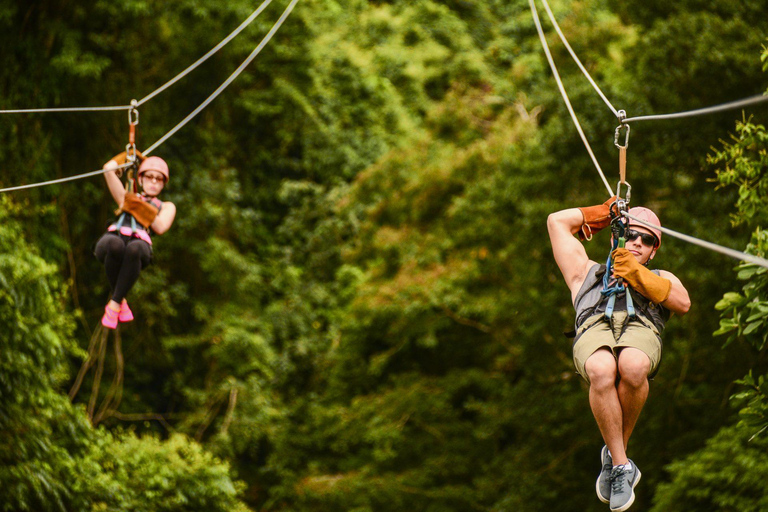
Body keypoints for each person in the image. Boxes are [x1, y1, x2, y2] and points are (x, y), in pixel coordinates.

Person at [547, 198, 690, 512]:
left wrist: (637, 274)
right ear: (617, 238)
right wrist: (602, 212)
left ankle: (614, 458)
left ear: (654, 250)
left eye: (647, 239)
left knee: (633, 365)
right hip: (595, 326)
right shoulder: (584, 273)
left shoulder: (662, 276)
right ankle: (622, 464)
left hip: (640, 329)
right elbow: (556, 222)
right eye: (631, 234)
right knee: (600, 369)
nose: (638, 242)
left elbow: (683, 303)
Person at [94, 152, 176, 329]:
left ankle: (114, 303)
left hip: (139, 245)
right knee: (115, 245)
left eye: (158, 179)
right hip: (114, 237)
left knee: (135, 248)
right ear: (141, 179)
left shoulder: (166, 206)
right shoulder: (126, 198)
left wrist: (136, 205)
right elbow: (108, 169)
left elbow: (160, 226)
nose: (153, 182)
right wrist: (128, 154)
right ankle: (119, 301)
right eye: (149, 177)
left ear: (163, 184)